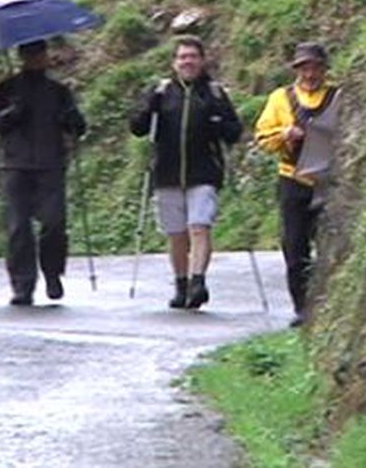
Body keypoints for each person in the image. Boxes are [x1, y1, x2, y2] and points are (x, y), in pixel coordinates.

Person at [129, 35, 243, 309]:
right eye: (182, 57)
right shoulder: (162, 92)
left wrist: (218, 121)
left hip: (204, 172)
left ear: (202, 61)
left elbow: (234, 131)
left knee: (199, 227)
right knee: (176, 233)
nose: (187, 62)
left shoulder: (214, 93)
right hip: (167, 173)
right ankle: (181, 284)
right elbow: (137, 127)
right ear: (174, 62)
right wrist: (149, 107)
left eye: (192, 57)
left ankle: (198, 281)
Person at [0, 40, 87, 306]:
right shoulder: (6, 88)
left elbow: (78, 126)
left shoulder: (58, 91)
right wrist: (11, 114)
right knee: (19, 228)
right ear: (21, 57)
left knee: (54, 224)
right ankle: (22, 284)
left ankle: (53, 273)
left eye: (39, 53)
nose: (36, 58)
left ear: (46, 56)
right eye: (30, 54)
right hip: (15, 165)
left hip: (51, 164)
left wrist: (71, 119)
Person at [254, 42, 340, 327]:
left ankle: (329, 304)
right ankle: (302, 308)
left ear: (325, 69)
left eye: (316, 67)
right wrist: (284, 133)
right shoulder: (281, 98)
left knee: (331, 244)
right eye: (305, 67)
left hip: (329, 182)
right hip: (292, 179)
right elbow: (263, 137)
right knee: (294, 246)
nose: (310, 73)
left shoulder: (338, 96)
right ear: (297, 70)